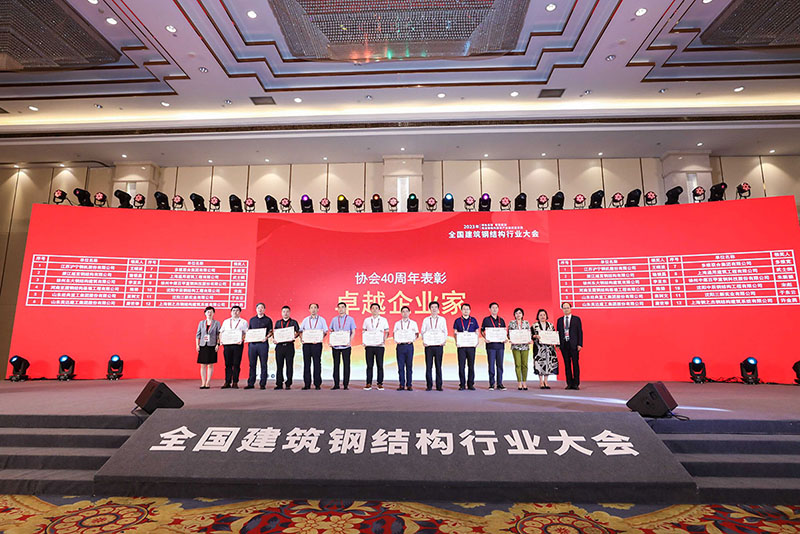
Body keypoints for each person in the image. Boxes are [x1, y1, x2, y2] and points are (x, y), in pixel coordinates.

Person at [300, 303, 328, 390]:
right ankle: (307, 384)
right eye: (311, 308)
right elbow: (300, 331)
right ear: (309, 310)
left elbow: (325, 332)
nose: (313, 309)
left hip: (317, 344)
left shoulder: (322, 320)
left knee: (317, 363)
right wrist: (302, 339)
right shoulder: (305, 320)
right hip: (307, 345)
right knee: (306, 364)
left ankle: (317, 384)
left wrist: (319, 338)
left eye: (315, 308)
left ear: (318, 309)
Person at [421, 301, 448, 391]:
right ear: (430, 309)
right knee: (428, 366)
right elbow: (423, 331)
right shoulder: (426, 320)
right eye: (432, 307)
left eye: (435, 307)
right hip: (428, 346)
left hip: (439, 345)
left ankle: (439, 386)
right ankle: (429, 385)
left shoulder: (442, 319)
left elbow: (445, 331)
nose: (434, 309)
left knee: (438, 366)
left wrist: (443, 341)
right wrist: (424, 340)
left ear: (438, 309)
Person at [329, 301, 356, 390]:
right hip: (336, 346)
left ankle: (345, 384)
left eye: (342, 307)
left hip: (346, 346)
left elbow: (353, 332)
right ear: (337, 309)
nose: (341, 309)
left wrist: (349, 341)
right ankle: (336, 384)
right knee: (336, 365)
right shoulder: (334, 319)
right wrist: (331, 341)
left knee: (346, 365)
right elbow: (331, 331)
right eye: (339, 307)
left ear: (345, 308)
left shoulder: (350, 319)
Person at [245, 302, 273, 390]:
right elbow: (249, 331)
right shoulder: (252, 320)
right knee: (252, 364)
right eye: (258, 308)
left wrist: (266, 337)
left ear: (264, 309)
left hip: (263, 344)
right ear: (256, 309)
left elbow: (271, 331)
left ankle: (262, 383)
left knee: (263, 364)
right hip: (252, 345)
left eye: (262, 308)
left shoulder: (268, 320)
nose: (260, 309)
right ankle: (251, 383)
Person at [362, 302, 390, 390]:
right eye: (373, 308)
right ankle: (368, 383)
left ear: (379, 310)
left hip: (380, 346)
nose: (374, 310)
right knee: (369, 365)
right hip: (369, 346)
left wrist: (383, 340)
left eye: (376, 308)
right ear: (370, 310)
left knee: (380, 365)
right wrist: (364, 341)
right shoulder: (366, 320)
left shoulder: (384, 320)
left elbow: (387, 331)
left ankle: (380, 383)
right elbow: (364, 331)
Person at [219, 305, 248, 389]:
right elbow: (221, 332)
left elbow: (246, 333)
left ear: (240, 312)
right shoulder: (226, 321)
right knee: (228, 364)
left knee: (236, 364)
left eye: (237, 310)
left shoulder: (243, 322)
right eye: (233, 310)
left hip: (237, 345)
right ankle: (227, 382)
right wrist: (221, 341)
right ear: (231, 312)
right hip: (227, 345)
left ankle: (235, 382)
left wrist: (241, 339)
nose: (235, 312)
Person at [556, 302, 583, 390]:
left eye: (567, 307)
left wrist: (580, 344)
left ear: (570, 308)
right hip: (564, 344)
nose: (566, 309)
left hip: (574, 345)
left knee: (575, 364)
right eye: (564, 308)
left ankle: (576, 384)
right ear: (562, 309)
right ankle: (569, 383)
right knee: (567, 364)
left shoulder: (576, 319)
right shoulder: (560, 320)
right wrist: (557, 344)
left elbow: (580, 332)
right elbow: (558, 333)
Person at [481, 302, 507, 391]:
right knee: (491, 365)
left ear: (498, 309)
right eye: (493, 308)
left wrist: (505, 338)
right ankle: (491, 384)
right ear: (489, 309)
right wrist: (485, 337)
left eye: (496, 308)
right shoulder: (486, 320)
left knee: (500, 365)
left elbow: (504, 332)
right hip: (490, 346)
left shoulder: (501, 320)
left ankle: (500, 384)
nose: (495, 309)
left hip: (500, 346)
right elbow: (482, 331)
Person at [453, 303, 479, 391]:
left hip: (471, 346)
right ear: (461, 310)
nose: (466, 310)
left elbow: (476, 332)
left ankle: (470, 384)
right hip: (461, 347)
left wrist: (476, 341)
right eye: (464, 309)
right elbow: (455, 333)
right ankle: (462, 384)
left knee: (471, 365)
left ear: (470, 310)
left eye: (467, 309)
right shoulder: (457, 320)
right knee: (461, 366)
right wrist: (456, 342)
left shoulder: (473, 320)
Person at [393, 305, 419, 391]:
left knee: (409, 366)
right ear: (401, 313)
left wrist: (412, 340)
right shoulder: (397, 323)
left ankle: (409, 384)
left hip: (409, 346)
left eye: (406, 311)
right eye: (403, 311)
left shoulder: (413, 323)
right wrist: (396, 340)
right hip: (400, 346)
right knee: (400, 366)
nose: (405, 313)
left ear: (409, 312)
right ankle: (401, 384)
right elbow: (394, 334)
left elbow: (417, 334)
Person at [273, 305, 299, 390]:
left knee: (289, 365)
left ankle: (288, 383)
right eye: (284, 311)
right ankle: (279, 383)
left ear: (290, 312)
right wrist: (274, 339)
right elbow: (275, 333)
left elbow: (298, 332)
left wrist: (294, 336)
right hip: (279, 347)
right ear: (281, 313)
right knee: (279, 366)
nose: (285, 313)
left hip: (289, 346)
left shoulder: (293, 322)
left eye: (287, 311)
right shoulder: (278, 323)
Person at [532, 308, 558, 389]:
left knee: (548, 364)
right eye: (540, 315)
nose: (542, 316)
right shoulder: (534, 326)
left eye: (544, 315)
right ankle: (541, 382)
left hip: (549, 348)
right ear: (538, 316)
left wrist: (555, 341)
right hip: (539, 349)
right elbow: (530, 336)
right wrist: (535, 336)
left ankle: (546, 381)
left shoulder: (550, 325)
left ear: (546, 316)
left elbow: (554, 335)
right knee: (539, 364)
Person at [195, 306, 220, 389]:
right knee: (202, 365)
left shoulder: (217, 323)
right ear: (205, 313)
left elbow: (219, 335)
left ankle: (208, 382)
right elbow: (198, 335)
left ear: (214, 313)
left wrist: (218, 344)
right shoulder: (201, 323)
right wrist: (197, 345)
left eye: (211, 312)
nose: (209, 313)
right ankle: (203, 382)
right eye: (208, 312)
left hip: (212, 345)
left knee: (210, 365)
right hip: (203, 345)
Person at [508, 307, 531, 390]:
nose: (518, 315)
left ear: (522, 314)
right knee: (518, 364)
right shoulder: (511, 323)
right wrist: (510, 338)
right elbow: (508, 334)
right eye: (516, 313)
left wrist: (529, 339)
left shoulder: (526, 323)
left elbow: (529, 333)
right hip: (515, 346)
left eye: (520, 313)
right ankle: (519, 382)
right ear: (514, 315)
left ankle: (524, 382)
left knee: (525, 365)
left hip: (525, 346)